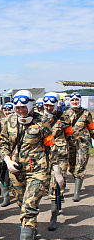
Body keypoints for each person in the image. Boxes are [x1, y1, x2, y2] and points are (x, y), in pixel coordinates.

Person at [0, 90, 64, 240]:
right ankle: (31, 228)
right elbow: (3, 143)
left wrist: (56, 171)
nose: (21, 110)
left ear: (30, 105)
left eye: (24, 107)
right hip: (16, 171)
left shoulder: (42, 121)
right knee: (22, 205)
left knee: (29, 205)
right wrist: (7, 160)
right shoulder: (8, 121)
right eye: (18, 107)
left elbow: (51, 147)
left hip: (37, 171)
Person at [43, 92, 81, 230]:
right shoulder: (39, 118)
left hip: (60, 155)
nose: (48, 108)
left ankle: (54, 216)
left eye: (51, 105)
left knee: (57, 184)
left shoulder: (64, 118)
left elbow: (71, 137)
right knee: (46, 184)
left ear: (56, 105)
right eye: (46, 105)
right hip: (44, 156)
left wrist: (77, 154)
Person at [63, 92, 94, 201]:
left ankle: (76, 193)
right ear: (70, 101)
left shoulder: (86, 113)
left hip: (83, 144)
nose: (75, 102)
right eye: (73, 100)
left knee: (80, 166)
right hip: (70, 144)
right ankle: (77, 182)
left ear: (80, 101)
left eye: (77, 100)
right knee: (72, 166)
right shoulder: (66, 113)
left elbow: (91, 128)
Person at [0, 102, 14, 207]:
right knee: (2, 173)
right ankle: (6, 196)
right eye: (6, 110)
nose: (8, 112)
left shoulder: (17, 121)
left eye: (10, 110)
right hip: (3, 151)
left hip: (15, 152)